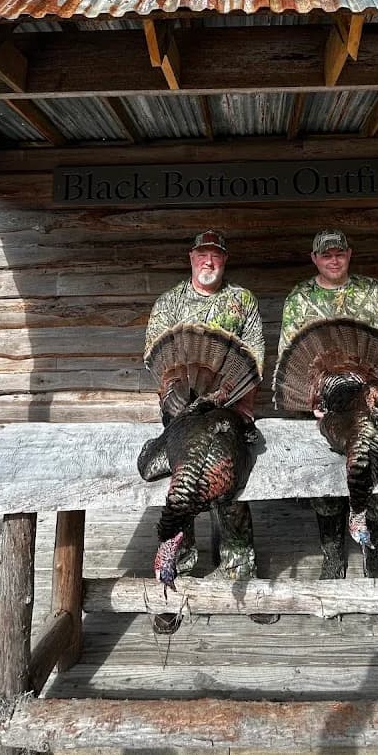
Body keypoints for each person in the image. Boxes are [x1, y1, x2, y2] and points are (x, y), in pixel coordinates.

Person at [144, 229, 267, 628]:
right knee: (182, 486)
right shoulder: (170, 302)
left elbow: (256, 361)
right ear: (191, 258)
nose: (208, 261)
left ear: (224, 260)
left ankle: (241, 573)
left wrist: (224, 393)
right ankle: (174, 580)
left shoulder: (242, 300)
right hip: (181, 416)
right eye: (202, 255)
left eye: (215, 255)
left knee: (231, 483)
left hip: (229, 409)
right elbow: (155, 357)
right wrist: (170, 393)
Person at [278, 229, 378, 582]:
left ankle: (376, 562)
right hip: (327, 407)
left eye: (339, 253)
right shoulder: (300, 298)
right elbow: (290, 356)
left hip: (369, 404)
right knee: (327, 484)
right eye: (326, 255)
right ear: (315, 258)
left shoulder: (373, 292)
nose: (333, 259)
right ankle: (333, 558)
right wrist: (311, 400)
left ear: (349, 254)